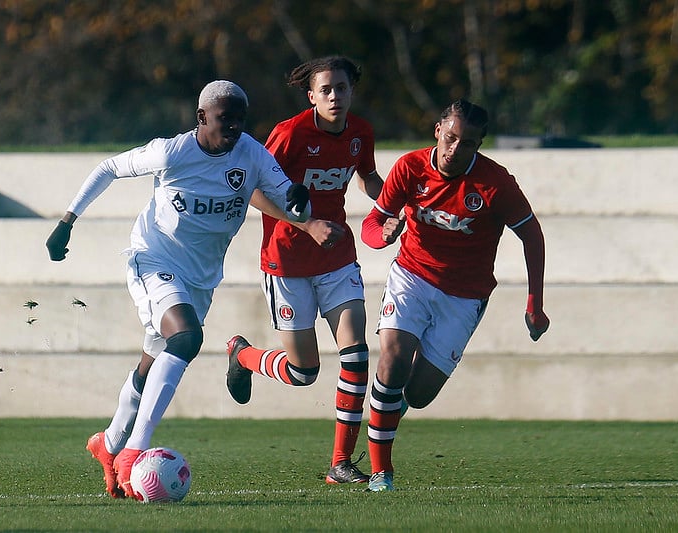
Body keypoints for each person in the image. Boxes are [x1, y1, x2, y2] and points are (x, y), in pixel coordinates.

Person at [44, 80, 311, 499]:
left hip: (201, 278)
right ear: (202, 118)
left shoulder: (253, 155)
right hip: (154, 259)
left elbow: (291, 200)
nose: (235, 126)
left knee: (153, 361)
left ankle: (109, 443)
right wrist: (67, 222)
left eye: (241, 118)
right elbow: (108, 168)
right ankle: (134, 451)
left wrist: (300, 201)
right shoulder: (172, 151)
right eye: (226, 118)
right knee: (186, 337)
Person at [360, 99, 550, 492]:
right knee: (392, 359)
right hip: (411, 275)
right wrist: (384, 236)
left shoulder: (496, 184)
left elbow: (532, 235)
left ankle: (384, 420)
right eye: (450, 138)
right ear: (437, 131)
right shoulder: (410, 168)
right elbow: (373, 222)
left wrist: (535, 303)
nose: (455, 149)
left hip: (464, 296)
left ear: (479, 145)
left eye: (467, 143)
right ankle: (381, 472)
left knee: (419, 394)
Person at [224, 56, 383, 484]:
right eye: (326, 90)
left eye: (342, 88)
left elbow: (367, 176)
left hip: (337, 259)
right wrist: (306, 224)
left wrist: (388, 203)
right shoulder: (290, 134)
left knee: (356, 353)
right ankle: (243, 355)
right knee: (303, 373)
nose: (335, 96)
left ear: (352, 91)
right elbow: (251, 189)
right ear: (311, 96)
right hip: (287, 261)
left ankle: (340, 464)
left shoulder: (360, 132)